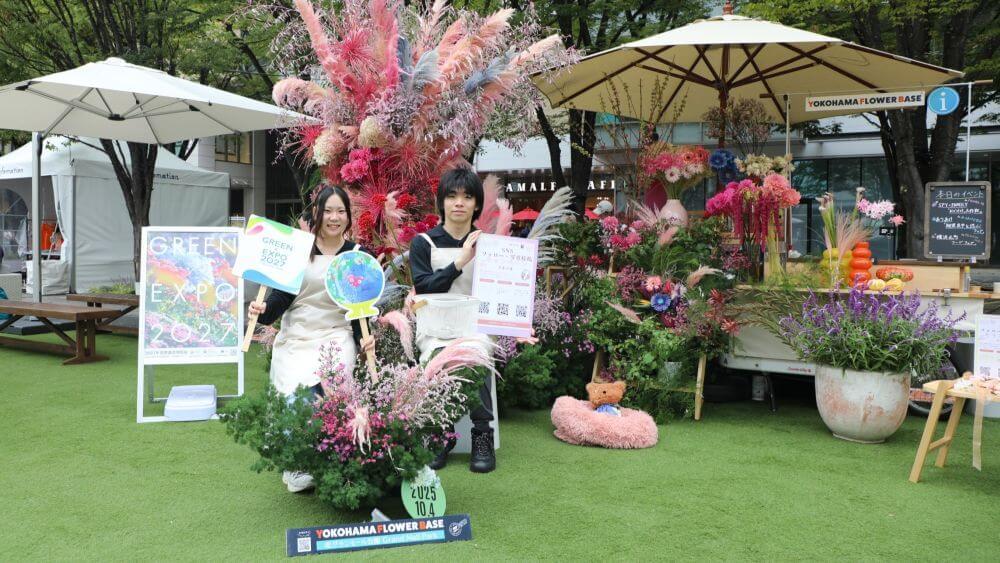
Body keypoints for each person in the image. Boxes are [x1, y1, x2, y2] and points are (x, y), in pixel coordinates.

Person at [248, 184, 375, 493]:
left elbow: (359, 309)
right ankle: (296, 461)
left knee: (332, 382)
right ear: (316, 213)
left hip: (336, 334)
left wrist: (364, 339)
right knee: (295, 391)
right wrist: (262, 311)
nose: (334, 217)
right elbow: (279, 300)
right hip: (297, 334)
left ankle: (332, 452)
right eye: (328, 211)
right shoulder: (299, 251)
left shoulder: (358, 256)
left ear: (348, 216)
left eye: (341, 211)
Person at [409, 167, 497, 473]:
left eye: (467, 196)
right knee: (438, 358)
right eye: (452, 196)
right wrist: (460, 261)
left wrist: (518, 324)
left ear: (477, 204)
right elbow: (425, 288)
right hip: (435, 330)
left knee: (476, 354)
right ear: (442, 202)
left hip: (474, 328)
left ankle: (482, 435)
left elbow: (503, 289)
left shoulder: (490, 245)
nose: (459, 203)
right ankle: (439, 433)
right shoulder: (423, 242)